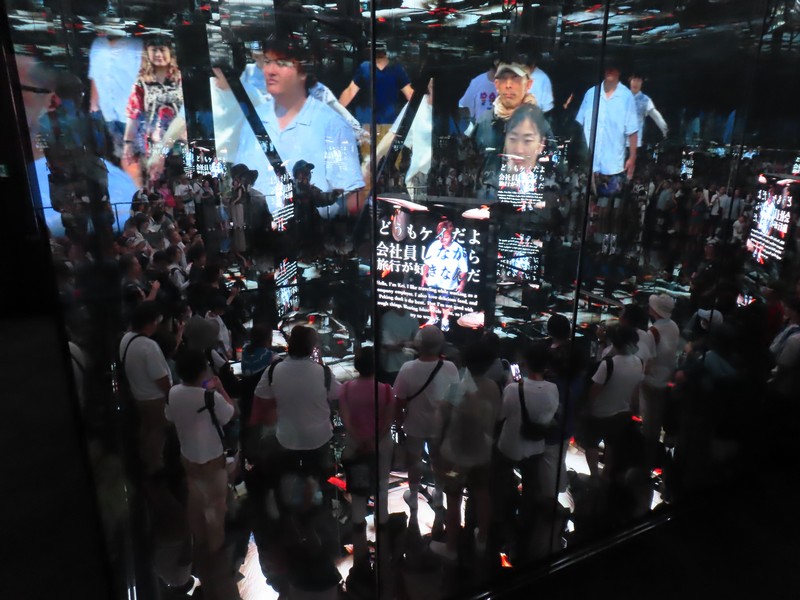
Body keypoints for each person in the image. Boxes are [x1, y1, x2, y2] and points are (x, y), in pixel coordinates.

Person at [213, 40, 364, 217]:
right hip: (259, 230)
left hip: (310, 231)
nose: (270, 70)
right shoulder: (251, 123)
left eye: (282, 63)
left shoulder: (332, 124)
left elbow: (352, 198)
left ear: (304, 70)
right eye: (267, 61)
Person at [251, 326, 341, 511]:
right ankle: (316, 506)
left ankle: (290, 509)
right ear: (312, 347)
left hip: (287, 438)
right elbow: (338, 393)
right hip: (319, 438)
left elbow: (261, 396)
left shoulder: (273, 370)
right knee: (318, 477)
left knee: (288, 479)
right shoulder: (323, 372)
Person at [430, 343, 502, 561]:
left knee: (453, 498)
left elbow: (439, 420)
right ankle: (482, 541)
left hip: (455, 459)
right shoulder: (493, 387)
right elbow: (498, 418)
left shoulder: (456, 388)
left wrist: (436, 451)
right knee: (482, 493)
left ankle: (451, 548)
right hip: (482, 454)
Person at [166, 349, 236, 553]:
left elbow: (169, 416)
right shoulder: (211, 397)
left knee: (195, 503)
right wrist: (220, 388)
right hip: (212, 461)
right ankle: (215, 554)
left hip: (187, 458)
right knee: (216, 509)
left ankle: (199, 547)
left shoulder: (173, 393)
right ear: (202, 371)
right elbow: (231, 413)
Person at [496, 342, 559, 562]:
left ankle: (503, 517)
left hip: (510, 444)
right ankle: (526, 520)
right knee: (531, 486)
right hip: (535, 446)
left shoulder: (513, 389)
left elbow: (501, 415)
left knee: (502, 481)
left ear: (525, 364)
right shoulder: (553, 389)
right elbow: (550, 415)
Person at [393, 326, 460, 514]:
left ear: (418, 344)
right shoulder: (450, 367)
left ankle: (413, 496)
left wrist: (399, 421)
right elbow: (455, 399)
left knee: (414, 460)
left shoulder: (408, 368)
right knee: (438, 460)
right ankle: (439, 494)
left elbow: (399, 401)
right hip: (440, 425)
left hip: (414, 423)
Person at [339, 347, 394, 560]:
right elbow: (388, 421)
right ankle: (383, 523)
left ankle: (358, 526)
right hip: (381, 445)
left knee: (358, 488)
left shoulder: (345, 389)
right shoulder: (386, 390)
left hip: (355, 445)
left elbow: (345, 419)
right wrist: (373, 441)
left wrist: (360, 439)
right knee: (382, 485)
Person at [473, 57, 551, 200]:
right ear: (496, 84)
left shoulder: (540, 125)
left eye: (515, 79)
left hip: (525, 203)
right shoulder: (484, 122)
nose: (508, 85)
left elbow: (554, 170)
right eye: (503, 78)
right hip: (487, 205)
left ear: (528, 84)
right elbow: (471, 164)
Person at [577, 324, 644, 479]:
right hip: (622, 413)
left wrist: (586, 408)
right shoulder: (639, 362)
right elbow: (636, 390)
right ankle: (606, 474)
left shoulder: (608, 364)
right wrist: (635, 409)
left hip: (599, 413)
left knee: (591, 444)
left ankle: (594, 475)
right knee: (612, 445)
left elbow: (594, 391)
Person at [122, 36, 185, 188]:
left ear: (170, 52)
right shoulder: (141, 82)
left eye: (162, 50)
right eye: (154, 50)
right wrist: (128, 143)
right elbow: (133, 114)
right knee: (157, 183)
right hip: (153, 143)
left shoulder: (181, 78)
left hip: (181, 142)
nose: (158, 54)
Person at [119, 301, 173, 475]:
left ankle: (145, 461)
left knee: (147, 429)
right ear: (149, 323)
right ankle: (155, 468)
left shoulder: (126, 338)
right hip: (155, 398)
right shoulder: (149, 346)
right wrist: (170, 394)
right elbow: (161, 378)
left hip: (138, 395)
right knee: (157, 433)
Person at [338, 41, 413, 137]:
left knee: (370, 146)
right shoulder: (395, 69)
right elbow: (409, 93)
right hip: (384, 123)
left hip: (372, 123)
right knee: (385, 145)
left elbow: (350, 92)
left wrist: (334, 111)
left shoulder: (366, 68)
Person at [88, 31, 144, 160]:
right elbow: (94, 76)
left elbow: (143, 78)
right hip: (105, 112)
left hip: (129, 114)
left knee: (134, 156)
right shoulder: (97, 44)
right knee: (111, 155)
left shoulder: (136, 45)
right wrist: (93, 105)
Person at [641, 293, 680, 469]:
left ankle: (647, 461)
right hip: (666, 380)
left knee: (649, 425)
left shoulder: (653, 332)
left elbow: (647, 361)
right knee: (657, 421)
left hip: (651, 382)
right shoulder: (674, 326)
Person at [421, 219, 469, 332]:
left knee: (446, 304)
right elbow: (427, 263)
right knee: (431, 301)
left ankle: (445, 320)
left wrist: (462, 283)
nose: (442, 239)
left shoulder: (459, 249)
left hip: (448, 283)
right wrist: (424, 276)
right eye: (440, 236)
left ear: (452, 236)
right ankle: (433, 317)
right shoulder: (434, 245)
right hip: (433, 280)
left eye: (446, 237)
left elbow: (464, 270)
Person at [379, 306, 419, 384]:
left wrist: (400, 345)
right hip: (391, 368)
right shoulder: (387, 318)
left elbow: (418, 341)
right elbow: (387, 345)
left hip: (408, 367)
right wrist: (406, 344)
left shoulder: (413, 317)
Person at [628, 73, 668, 148]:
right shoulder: (621, 97)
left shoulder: (645, 100)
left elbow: (656, 117)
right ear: (630, 80)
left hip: (635, 143)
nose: (636, 83)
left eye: (638, 81)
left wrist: (665, 131)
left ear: (642, 83)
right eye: (634, 80)